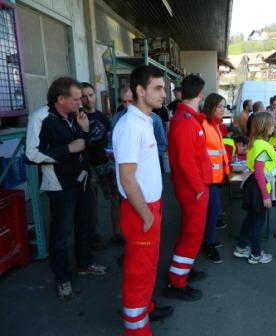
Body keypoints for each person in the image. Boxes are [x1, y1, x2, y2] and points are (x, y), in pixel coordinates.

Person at [25, 77, 107, 300]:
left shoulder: (75, 115)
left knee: (85, 224)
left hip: (82, 180)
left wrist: (85, 129)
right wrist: (67, 149)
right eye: (76, 98)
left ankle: (85, 263)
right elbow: (31, 155)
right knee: (61, 233)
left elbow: (85, 144)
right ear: (60, 99)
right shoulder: (40, 118)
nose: (81, 102)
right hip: (60, 186)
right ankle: (62, 278)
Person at [113, 66, 173, 335]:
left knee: (148, 266)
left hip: (151, 207)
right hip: (140, 211)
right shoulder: (129, 126)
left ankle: (145, 307)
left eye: (164, 88)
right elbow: (127, 179)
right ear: (140, 91)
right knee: (139, 272)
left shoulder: (145, 121)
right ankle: (137, 329)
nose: (164, 94)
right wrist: (147, 215)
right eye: (158, 88)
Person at [165, 74, 213, 301]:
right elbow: (186, 161)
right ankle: (177, 282)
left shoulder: (187, 118)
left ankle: (183, 270)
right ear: (200, 94)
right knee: (192, 234)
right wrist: (199, 188)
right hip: (193, 189)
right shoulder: (186, 121)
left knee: (189, 232)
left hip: (193, 187)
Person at [80, 82, 121, 245]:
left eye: (90, 95)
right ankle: (96, 233)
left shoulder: (103, 117)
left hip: (105, 164)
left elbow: (110, 139)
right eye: (84, 96)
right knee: (91, 202)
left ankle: (117, 232)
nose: (88, 99)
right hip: (88, 166)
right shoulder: (78, 118)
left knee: (115, 199)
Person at [233, 112, 276, 264]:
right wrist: (266, 196)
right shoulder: (262, 145)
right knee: (258, 222)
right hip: (259, 188)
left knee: (251, 219)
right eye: (272, 124)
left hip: (253, 186)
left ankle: (241, 247)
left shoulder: (254, 143)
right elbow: (259, 172)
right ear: (266, 127)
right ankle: (256, 254)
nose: (273, 127)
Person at [201, 93, 230, 264]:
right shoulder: (204, 125)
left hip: (214, 177)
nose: (222, 110)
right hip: (207, 178)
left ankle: (207, 241)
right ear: (211, 107)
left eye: (223, 106)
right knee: (213, 211)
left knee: (213, 211)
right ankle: (208, 244)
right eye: (219, 106)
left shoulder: (214, 125)